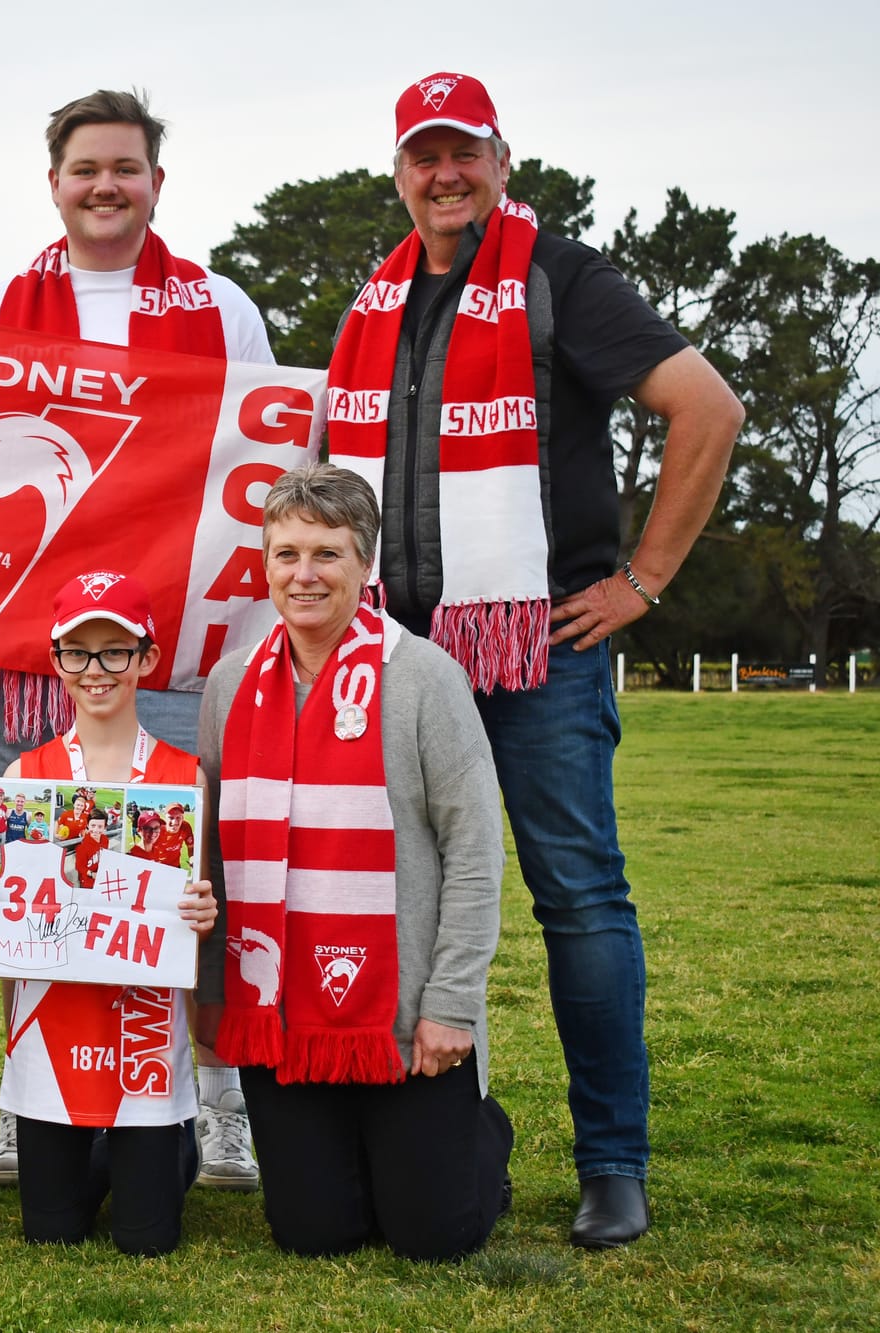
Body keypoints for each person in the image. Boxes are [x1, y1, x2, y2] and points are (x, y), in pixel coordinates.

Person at [326, 72, 744, 1247]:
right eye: (424, 155)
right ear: (399, 170)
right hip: (398, 648)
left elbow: (704, 407)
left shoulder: (559, 278)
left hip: (538, 643)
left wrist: (643, 581)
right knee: (392, 901)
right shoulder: (376, 302)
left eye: (465, 153)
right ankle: (411, 1145)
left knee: (576, 899)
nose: (444, 174)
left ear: (500, 161)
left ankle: (613, 1162)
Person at [0, 88, 273, 1192]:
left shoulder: (220, 304)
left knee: (191, 881)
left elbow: (267, 463)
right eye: (85, 167)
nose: (105, 185)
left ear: (156, 181)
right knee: (30, 874)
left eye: (125, 168)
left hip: (181, 647)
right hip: (36, 658)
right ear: (52, 180)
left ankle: (212, 1100)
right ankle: (26, 1097)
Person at [197, 463, 512, 1261]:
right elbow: (210, 850)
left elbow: (475, 849)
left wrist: (452, 1004)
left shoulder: (426, 677)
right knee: (314, 1234)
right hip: (282, 1015)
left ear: (364, 565)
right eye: (286, 553)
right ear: (264, 563)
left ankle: (482, 1133)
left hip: (403, 1021)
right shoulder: (231, 684)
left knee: (433, 1237)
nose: (304, 574)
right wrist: (208, 993)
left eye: (327, 554)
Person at [0, 570, 219, 1255]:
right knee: (53, 1231)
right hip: (53, 1035)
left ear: (147, 658)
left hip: (142, 1031)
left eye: (115, 650)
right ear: (56, 661)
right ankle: (84, 1148)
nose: (96, 669)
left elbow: (186, 913)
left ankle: (173, 1147)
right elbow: (7, 930)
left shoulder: (180, 777)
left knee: (147, 1239)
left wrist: (198, 910)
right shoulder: (26, 778)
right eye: (78, 651)